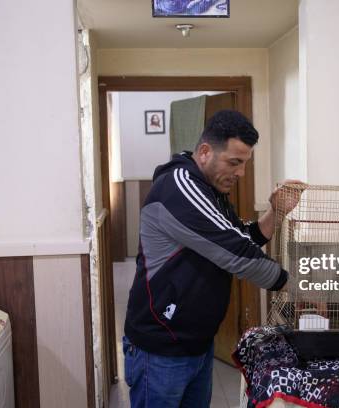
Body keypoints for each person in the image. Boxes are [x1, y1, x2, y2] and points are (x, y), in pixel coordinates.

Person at [123, 110, 303, 408]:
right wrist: (299, 288)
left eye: (245, 164)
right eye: (234, 162)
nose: (241, 173)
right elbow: (239, 255)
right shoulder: (179, 187)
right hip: (161, 348)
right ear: (205, 152)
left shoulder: (209, 189)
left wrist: (278, 212)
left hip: (196, 343)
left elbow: (243, 237)